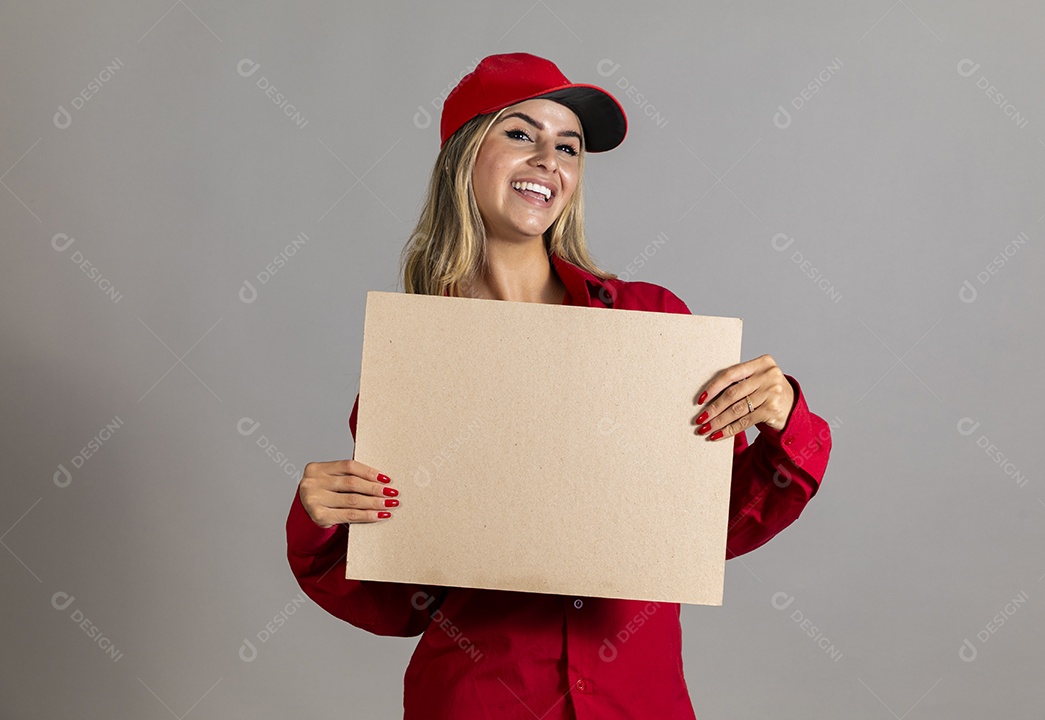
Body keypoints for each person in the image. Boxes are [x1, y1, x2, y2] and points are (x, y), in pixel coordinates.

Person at [286, 52, 832, 719]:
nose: (550, 159)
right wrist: (324, 517)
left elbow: (708, 529)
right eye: (521, 134)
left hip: (639, 702)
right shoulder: (419, 365)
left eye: (567, 147)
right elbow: (406, 601)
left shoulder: (649, 324)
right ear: (464, 153)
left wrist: (786, 424)